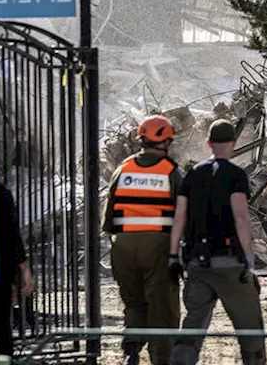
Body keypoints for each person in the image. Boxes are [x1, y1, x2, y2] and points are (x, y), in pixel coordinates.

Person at [170, 119, 265, 365]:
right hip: (230, 262)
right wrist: (249, 257)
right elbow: (241, 217)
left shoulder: (192, 174)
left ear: (208, 143)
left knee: (193, 325)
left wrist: (173, 256)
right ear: (233, 144)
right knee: (249, 325)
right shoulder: (235, 175)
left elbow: (179, 217)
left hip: (197, 263)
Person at [103, 115, 184, 365]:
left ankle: (130, 352)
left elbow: (108, 219)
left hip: (123, 247)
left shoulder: (123, 169)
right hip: (158, 247)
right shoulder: (171, 171)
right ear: (166, 141)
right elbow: (183, 216)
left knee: (134, 304)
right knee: (163, 309)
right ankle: (162, 359)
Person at [0, 154, 35, 361]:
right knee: (1, 325)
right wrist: (24, 269)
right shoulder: (0, 193)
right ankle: (4, 359)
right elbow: (12, 235)